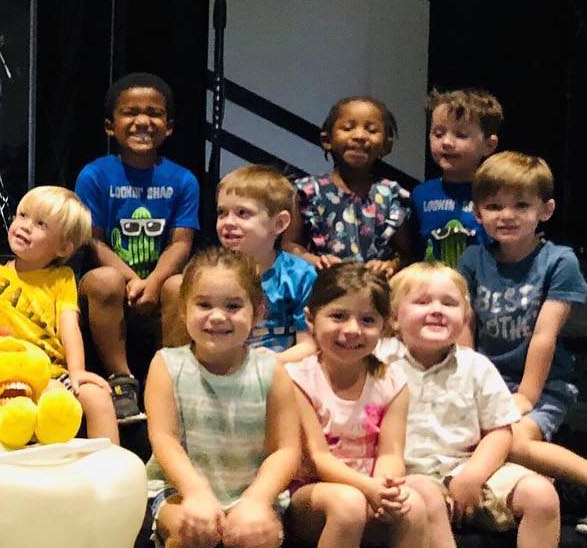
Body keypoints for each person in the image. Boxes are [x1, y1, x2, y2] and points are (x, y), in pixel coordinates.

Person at [378, 263, 587, 548]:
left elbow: (500, 431)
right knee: (423, 492)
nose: (436, 310)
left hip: (468, 469)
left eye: (449, 303)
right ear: (394, 318)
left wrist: (475, 474)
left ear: (465, 317)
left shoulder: (476, 366)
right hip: (413, 477)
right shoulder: (377, 363)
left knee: (539, 492)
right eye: (422, 301)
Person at [284, 264, 457, 548]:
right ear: (311, 320)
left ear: (386, 325)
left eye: (367, 320)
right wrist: (367, 488)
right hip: (312, 497)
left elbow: (392, 452)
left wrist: (389, 486)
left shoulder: (391, 381)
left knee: (414, 505)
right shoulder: (295, 379)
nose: (352, 330)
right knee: (346, 504)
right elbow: (318, 459)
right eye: (338, 316)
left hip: (369, 491)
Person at [142, 247, 301, 548]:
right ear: (184, 308)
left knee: (258, 531)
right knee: (193, 524)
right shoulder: (167, 365)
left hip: (249, 491)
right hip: (178, 491)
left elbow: (286, 448)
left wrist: (255, 500)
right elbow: (163, 438)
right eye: (204, 304)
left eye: (233, 306)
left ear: (257, 311)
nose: (218, 316)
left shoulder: (271, 370)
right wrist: (195, 492)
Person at [458, 152, 587, 530]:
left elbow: (544, 336)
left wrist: (526, 397)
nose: (507, 215)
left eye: (521, 205)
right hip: (487, 382)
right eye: (494, 206)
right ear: (478, 212)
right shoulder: (472, 259)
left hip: (541, 385)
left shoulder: (558, 261)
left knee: (511, 442)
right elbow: (465, 329)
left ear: (546, 210)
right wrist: (467, 389)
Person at [74, 72, 200, 423]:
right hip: (112, 288)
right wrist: (132, 279)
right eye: (130, 112)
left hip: (159, 285)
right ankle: (122, 380)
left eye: (154, 113)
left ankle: (171, 380)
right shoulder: (95, 175)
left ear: (169, 127)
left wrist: (156, 281)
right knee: (103, 281)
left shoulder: (183, 179)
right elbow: (93, 240)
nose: (142, 121)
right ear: (110, 126)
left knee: (180, 285)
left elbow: (182, 243)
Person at [0, 185, 118, 445]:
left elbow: (69, 327)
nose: (25, 226)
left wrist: (77, 371)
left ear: (64, 248)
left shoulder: (62, 279)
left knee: (96, 396)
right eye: (22, 215)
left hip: (50, 373)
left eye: (41, 224)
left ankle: (110, 475)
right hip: (0, 376)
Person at [169, 164, 316, 359]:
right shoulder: (207, 270)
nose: (228, 222)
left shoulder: (299, 275)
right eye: (222, 213)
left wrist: (271, 364)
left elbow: (308, 345)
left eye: (242, 213)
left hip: (280, 370)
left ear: (279, 223)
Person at [283, 96, 412, 278]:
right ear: (327, 140)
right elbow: (289, 245)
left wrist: (390, 265)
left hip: (376, 297)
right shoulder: (307, 191)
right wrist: (314, 261)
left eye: (371, 130)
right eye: (347, 128)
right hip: (322, 293)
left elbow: (405, 254)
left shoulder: (393, 195)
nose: (359, 136)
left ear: (386, 145)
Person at [412, 88, 502, 267]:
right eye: (438, 134)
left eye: (460, 135)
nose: (446, 142)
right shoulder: (420, 194)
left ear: (489, 145)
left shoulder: (497, 194)